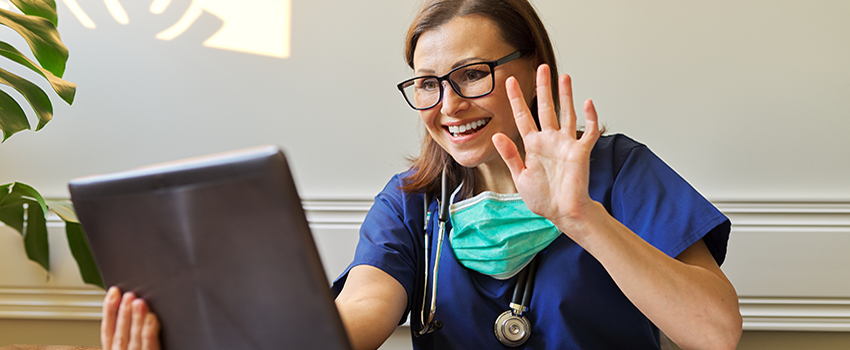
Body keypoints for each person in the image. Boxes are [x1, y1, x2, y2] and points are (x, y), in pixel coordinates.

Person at [101, 0, 743, 349]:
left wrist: (581, 218)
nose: (449, 106)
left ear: (532, 67)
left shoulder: (619, 171)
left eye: (471, 75)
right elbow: (359, 318)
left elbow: (714, 334)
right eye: (429, 84)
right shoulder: (410, 204)